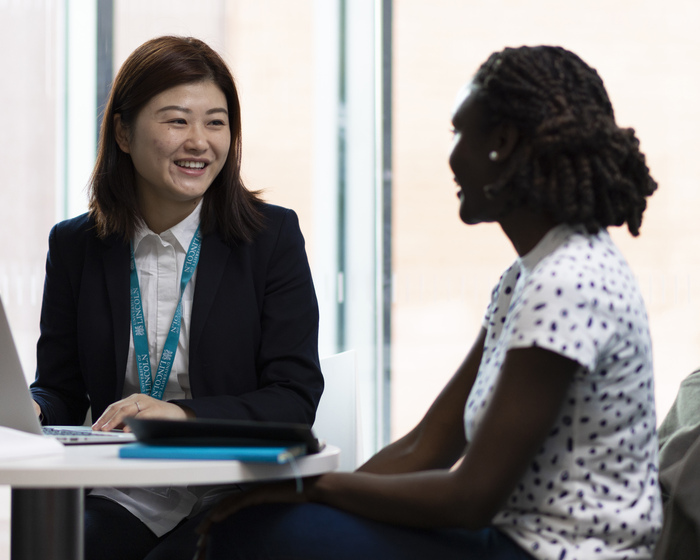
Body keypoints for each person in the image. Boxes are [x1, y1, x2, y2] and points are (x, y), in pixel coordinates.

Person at [195, 45, 662, 560]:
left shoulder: (568, 280)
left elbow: (470, 498)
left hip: (557, 553)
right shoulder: (525, 276)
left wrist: (316, 489)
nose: (451, 155)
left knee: (253, 536)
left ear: (501, 143)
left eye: (459, 132)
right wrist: (308, 500)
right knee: (268, 523)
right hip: (512, 540)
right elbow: (430, 444)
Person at [29, 35, 323, 560]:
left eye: (216, 122)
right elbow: (62, 390)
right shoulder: (76, 246)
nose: (199, 142)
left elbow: (294, 396)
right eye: (176, 120)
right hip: (131, 489)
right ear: (122, 131)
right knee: (66, 549)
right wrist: (29, 408)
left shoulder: (270, 238)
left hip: (234, 483)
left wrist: (180, 415)